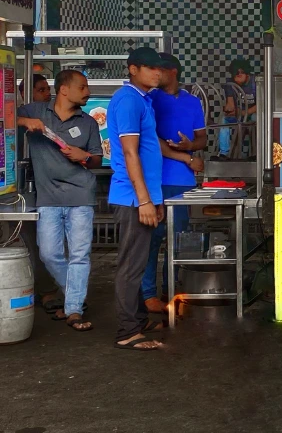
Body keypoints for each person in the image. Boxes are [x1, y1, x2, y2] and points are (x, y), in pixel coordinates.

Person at [17, 70, 103, 331]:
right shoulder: (37, 110)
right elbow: (6, 115)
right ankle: (76, 295)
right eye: (83, 87)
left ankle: (74, 309)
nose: (88, 92)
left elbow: (97, 160)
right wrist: (24, 121)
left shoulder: (88, 122)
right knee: (49, 253)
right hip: (48, 197)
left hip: (81, 195)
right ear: (64, 90)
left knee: (79, 255)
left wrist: (84, 156)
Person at [110, 47, 166, 351]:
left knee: (139, 260)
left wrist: (154, 200)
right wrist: (144, 200)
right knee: (131, 265)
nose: (157, 73)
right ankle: (127, 331)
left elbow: (146, 151)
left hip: (143, 197)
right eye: (150, 68)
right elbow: (130, 153)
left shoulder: (143, 100)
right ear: (133, 69)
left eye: (159, 69)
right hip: (132, 198)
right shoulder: (129, 99)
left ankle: (138, 319)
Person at [141, 53, 206, 313]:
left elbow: (202, 139)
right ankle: (147, 293)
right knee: (151, 239)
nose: (156, 75)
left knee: (178, 239)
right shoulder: (150, 101)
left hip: (182, 182)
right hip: (155, 180)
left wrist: (191, 146)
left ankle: (172, 290)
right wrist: (185, 157)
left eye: (160, 70)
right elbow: (150, 142)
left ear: (173, 72)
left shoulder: (192, 103)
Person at [18, 74, 60, 314]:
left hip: (43, 188)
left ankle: (47, 290)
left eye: (48, 90)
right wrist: (24, 120)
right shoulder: (23, 113)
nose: (47, 94)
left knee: (41, 242)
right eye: (41, 90)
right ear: (27, 93)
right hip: (21, 187)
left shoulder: (51, 115)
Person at [218, 58, 256, 159]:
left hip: (253, 113)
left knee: (256, 119)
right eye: (234, 76)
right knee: (224, 120)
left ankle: (256, 153)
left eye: (239, 75)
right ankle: (224, 153)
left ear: (245, 73)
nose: (236, 79)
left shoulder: (255, 82)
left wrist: (244, 113)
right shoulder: (230, 84)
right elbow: (230, 103)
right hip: (239, 114)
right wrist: (229, 110)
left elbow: (262, 104)